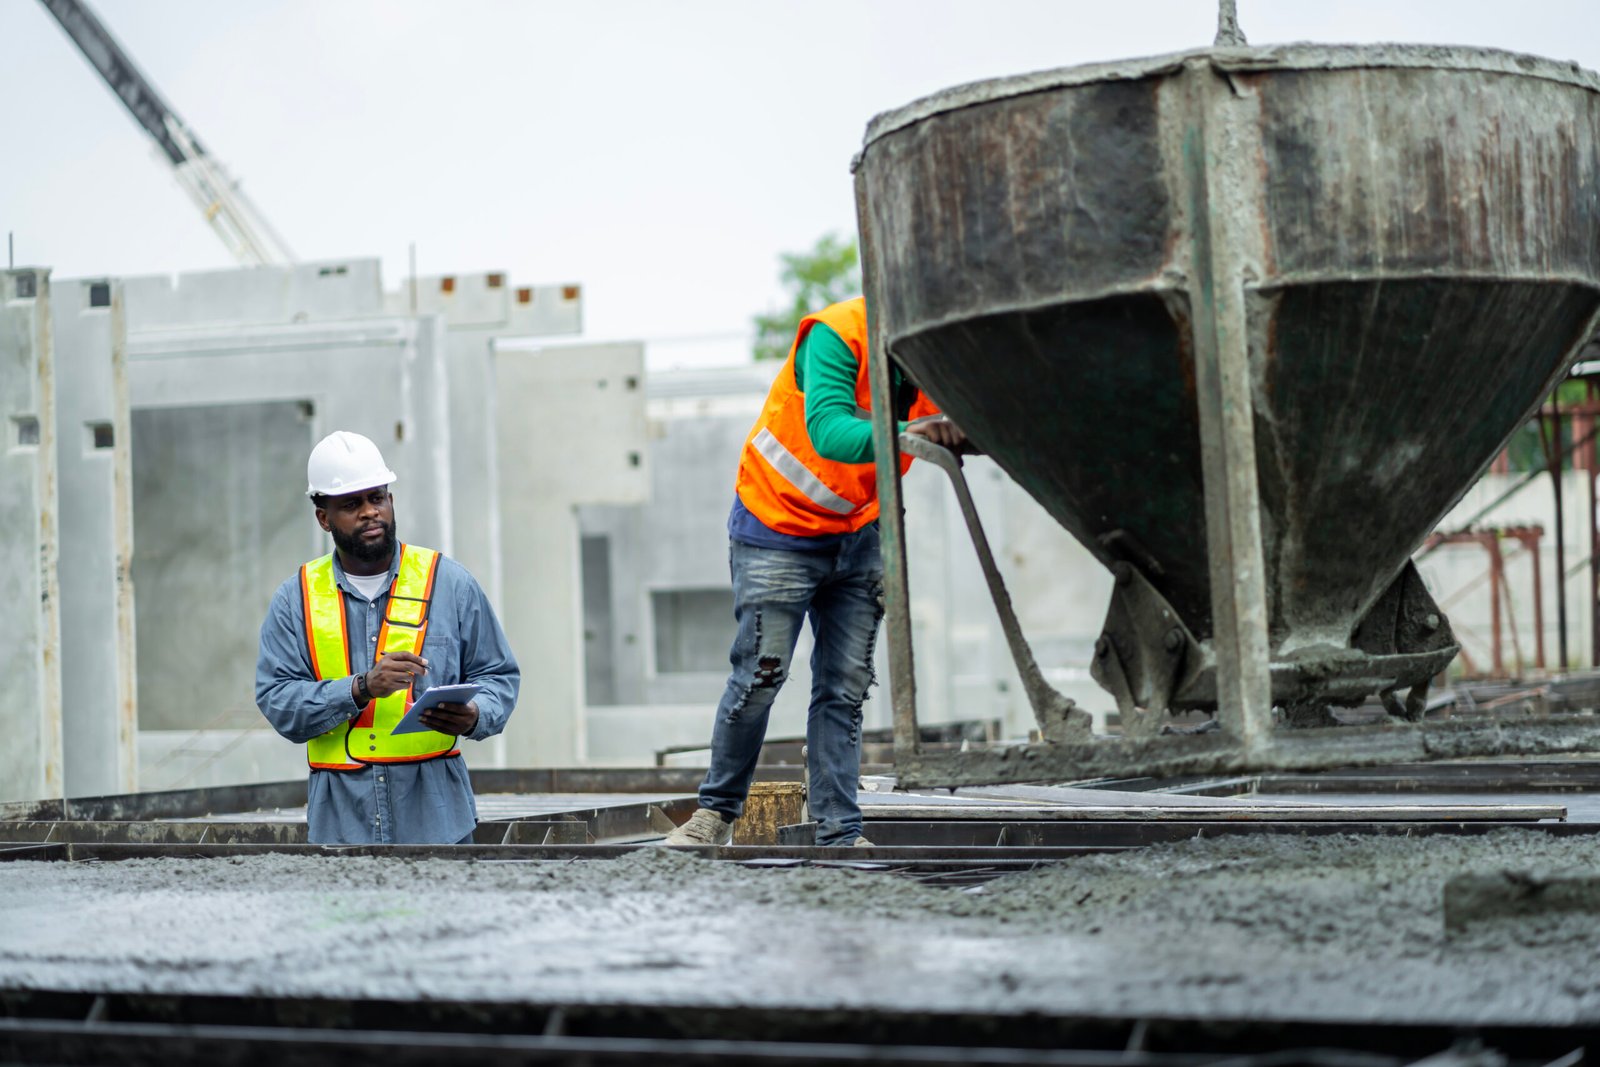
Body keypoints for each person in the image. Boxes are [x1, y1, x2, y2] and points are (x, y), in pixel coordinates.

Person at [665, 296, 966, 848]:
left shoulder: (936, 358)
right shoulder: (838, 333)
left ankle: (839, 832)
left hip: (859, 531)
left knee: (844, 690)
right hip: (778, 526)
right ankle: (713, 817)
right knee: (760, 676)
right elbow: (829, 432)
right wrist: (920, 428)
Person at [256, 430, 519, 844]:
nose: (369, 512)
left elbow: (498, 676)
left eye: (377, 498)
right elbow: (277, 700)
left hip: (439, 826)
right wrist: (360, 688)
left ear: (390, 500)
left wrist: (476, 715)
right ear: (323, 517)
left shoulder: (449, 584)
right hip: (342, 828)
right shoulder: (297, 600)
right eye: (350, 504)